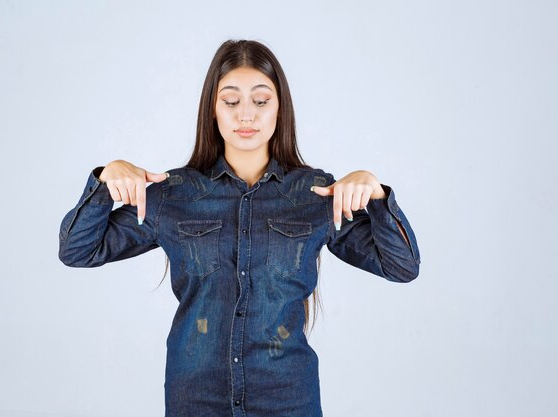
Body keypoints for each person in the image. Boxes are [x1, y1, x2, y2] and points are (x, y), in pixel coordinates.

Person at [58, 39, 420, 417]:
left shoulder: (315, 195)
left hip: (287, 398)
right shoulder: (172, 195)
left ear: (280, 110)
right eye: (231, 102)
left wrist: (376, 195)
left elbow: (402, 266)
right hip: (195, 399)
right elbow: (78, 250)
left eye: (261, 101)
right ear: (212, 111)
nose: (246, 115)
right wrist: (105, 180)